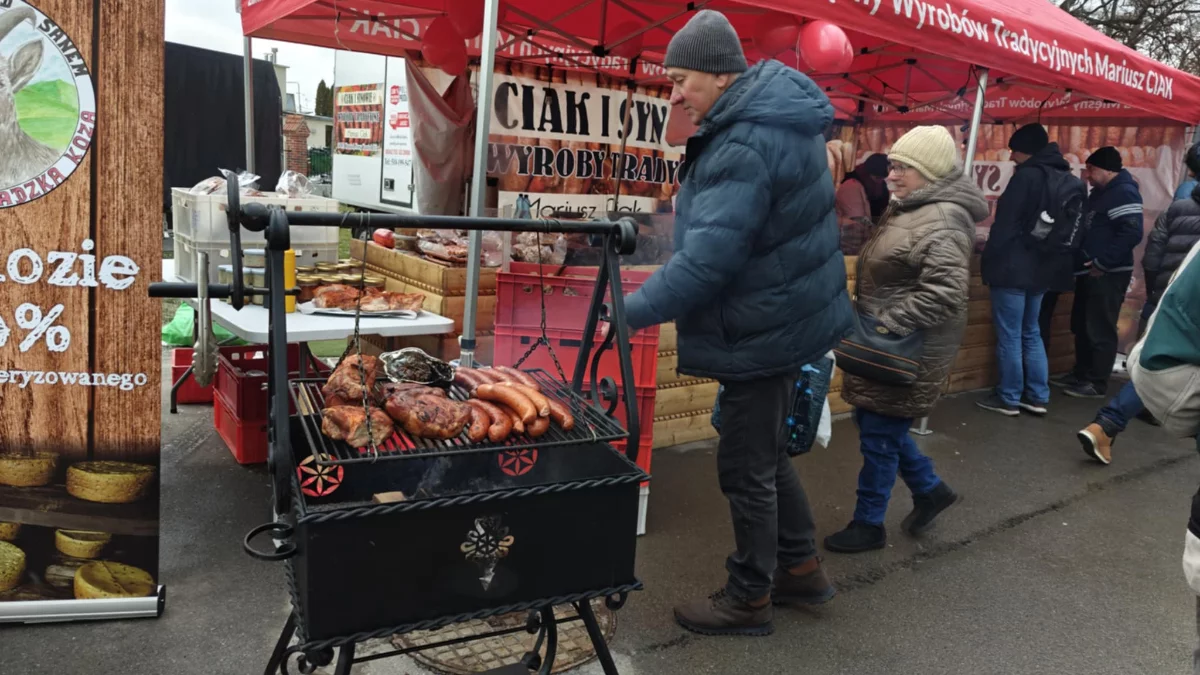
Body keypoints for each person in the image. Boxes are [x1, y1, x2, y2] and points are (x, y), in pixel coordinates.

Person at [621, 10, 852, 637]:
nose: (675, 93)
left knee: (745, 467)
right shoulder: (769, 124)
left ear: (719, 77)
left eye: (681, 79)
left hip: (763, 327)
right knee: (768, 456)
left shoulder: (745, 140)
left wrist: (628, 312)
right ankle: (800, 570)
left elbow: (707, 263)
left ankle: (749, 598)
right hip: (781, 318)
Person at [825, 126, 989, 554]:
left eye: (904, 168)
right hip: (891, 343)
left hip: (906, 348)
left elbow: (945, 292)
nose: (891, 175)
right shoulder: (913, 207)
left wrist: (886, 324)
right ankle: (930, 489)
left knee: (879, 434)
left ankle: (869, 524)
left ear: (931, 173)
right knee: (875, 424)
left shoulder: (945, 218)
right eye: (893, 165)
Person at [1077, 142, 1200, 463]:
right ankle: (1109, 411)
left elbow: (1151, 249)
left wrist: (1160, 287)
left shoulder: (1175, 207)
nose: (1087, 176)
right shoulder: (1115, 194)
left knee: (1153, 357)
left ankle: (1107, 420)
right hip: (1172, 296)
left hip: (1169, 294)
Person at [976, 124, 1082, 417]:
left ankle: (1009, 397)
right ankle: (1037, 396)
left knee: (1010, 334)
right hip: (1044, 269)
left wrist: (990, 259)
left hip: (1012, 268)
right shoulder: (1064, 176)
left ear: (1025, 150)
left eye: (1015, 151)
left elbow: (1005, 226)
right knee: (1031, 331)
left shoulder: (1026, 177)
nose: (1012, 157)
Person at [1052, 147, 1144, 399]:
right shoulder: (1102, 193)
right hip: (1089, 270)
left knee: (1100, 326)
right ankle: (1081, 372)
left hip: (1108, 273)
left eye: (1091, 169)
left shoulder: (1124, 192)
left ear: (1107, 169)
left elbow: (1131, 232)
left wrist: (1103, 262)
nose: (1088, 175)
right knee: (1082, 323)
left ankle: (1096, 382)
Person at [836, 153, 890, 254]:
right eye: (877, 177)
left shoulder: (879, 186)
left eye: (882, 178)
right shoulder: (851, 186)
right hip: (849, 241)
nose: (880, 182)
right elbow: (858, 221)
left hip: (865, 242)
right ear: (869, 172)